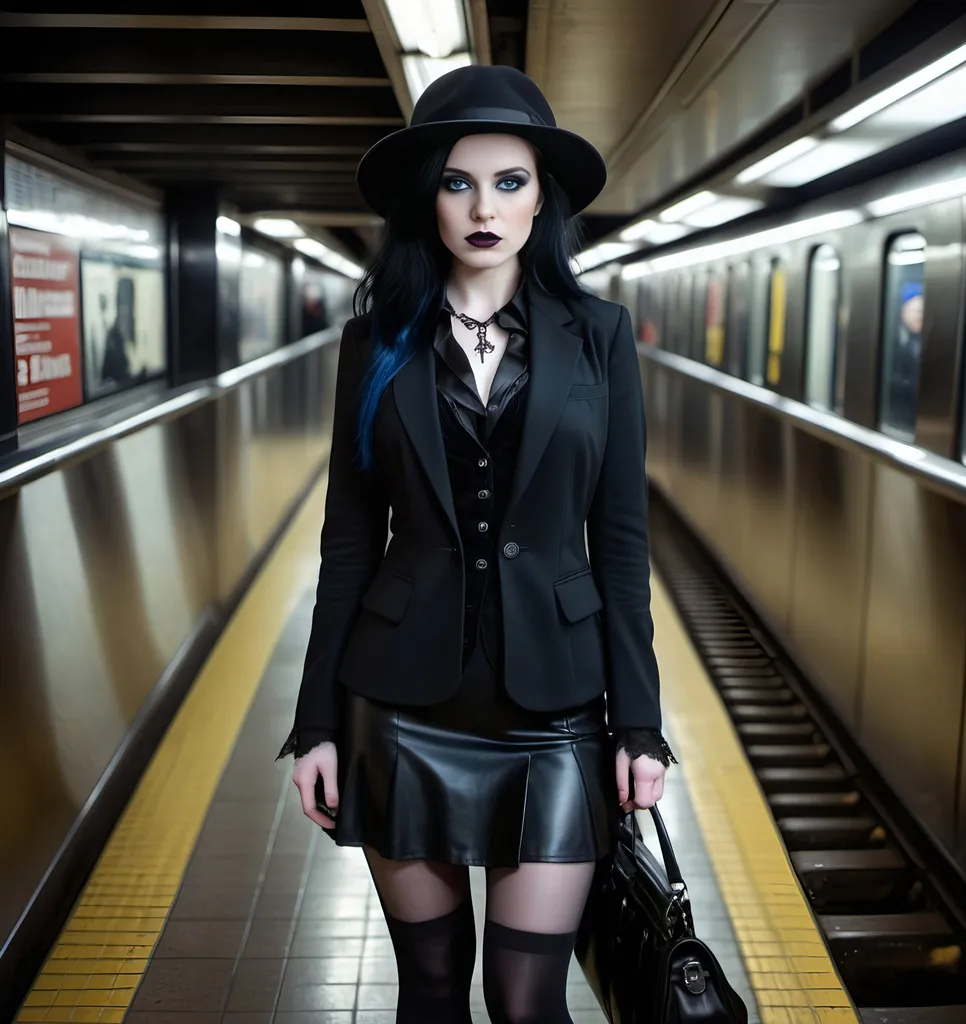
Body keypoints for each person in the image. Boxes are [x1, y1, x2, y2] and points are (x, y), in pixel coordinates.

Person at [279, 65, 674, 1024]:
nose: (484, 206)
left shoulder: (599, 338)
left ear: (544, 198)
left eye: (510, 181)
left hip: (559, 709)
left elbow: (620, 541)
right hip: (402, 706)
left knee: (528, 997)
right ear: (431, 197)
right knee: (430, 989)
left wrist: (641, 726)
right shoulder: (376, 342)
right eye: (459, 182)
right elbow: (347, 541)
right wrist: (316, 724)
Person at [886, 279, 924, 435]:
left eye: (922, 312)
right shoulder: (893, 341)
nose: (919, 317)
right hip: (896, 414)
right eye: (915, 311)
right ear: (904, 311)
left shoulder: (922, 340)